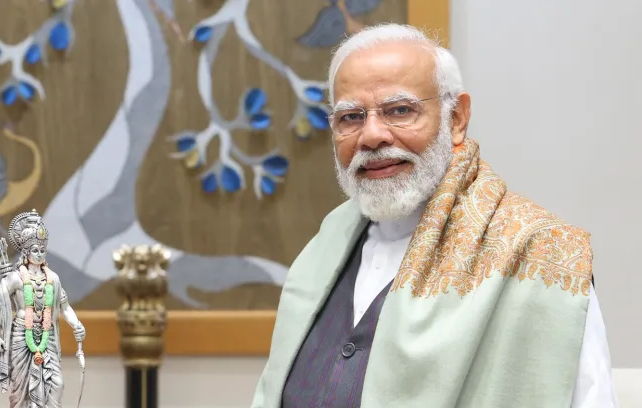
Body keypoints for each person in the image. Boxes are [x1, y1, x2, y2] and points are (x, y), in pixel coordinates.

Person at [250, 23, 617, 407]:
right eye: (351, 117)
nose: (371, 136)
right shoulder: (326, 245)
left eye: (399, 110)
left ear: (456, 118)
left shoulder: (537, 252)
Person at [0, 209, 86, 408]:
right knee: (22, 391)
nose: (40, 254)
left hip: (47, 337)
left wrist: (77, 324)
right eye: (35, 250)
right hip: (21, 337)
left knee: (57, 384)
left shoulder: (53, 278)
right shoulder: (16, 277)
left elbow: (65, 306)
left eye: (43, 250)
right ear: (25, 251)